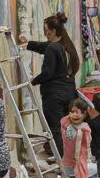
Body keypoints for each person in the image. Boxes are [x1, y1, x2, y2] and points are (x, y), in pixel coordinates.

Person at [19, 12, 80, 156]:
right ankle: (70, 155)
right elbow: (43, 46)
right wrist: (28, 43)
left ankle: (60, 158)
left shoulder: (53, 48)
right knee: (68, 126)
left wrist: (33, 80)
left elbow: (47, 73)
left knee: (55, 128)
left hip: (54, 95)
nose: (45, 33)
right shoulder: (66, 45)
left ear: (52, 31)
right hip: (69, 92)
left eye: (47, 30)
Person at [61, 97, 97, 178]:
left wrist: (80, 131)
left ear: (84, 114)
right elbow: (64, 121)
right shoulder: (66, 124)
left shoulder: (85, 128)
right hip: (67, 158)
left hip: (79, 160)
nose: (75, 115)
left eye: (79, 112)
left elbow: (88, 144)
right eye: (72, 111)